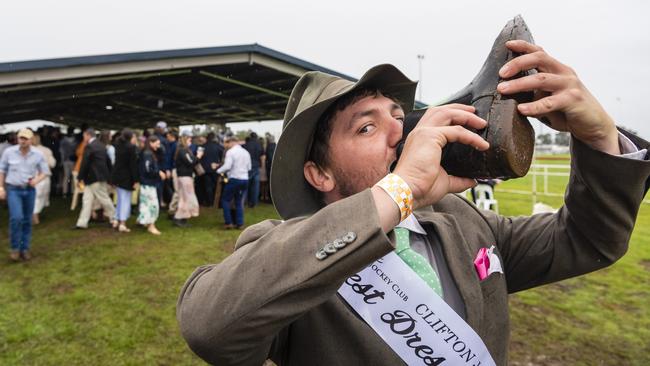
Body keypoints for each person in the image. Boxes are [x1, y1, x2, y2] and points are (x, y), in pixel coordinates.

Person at [177, 40, 650, 366]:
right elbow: (210, 329)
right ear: (319, 174)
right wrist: (400, 191)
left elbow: (588, 240)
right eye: (366, 126)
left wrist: (600, 137)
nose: (401, 132)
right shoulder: (280, 249)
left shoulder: (461, 222)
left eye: (399, 117)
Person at [0, 129, 50, 262]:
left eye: (26, 138)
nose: (23, 141)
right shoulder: (9, 152)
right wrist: (1, 188)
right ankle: (15, 248)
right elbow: (2, 170)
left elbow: (45, 171)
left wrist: (36, 180)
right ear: (17, 139)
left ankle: (25, 248)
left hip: (29, 190)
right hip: (13, 189)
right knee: (16, 218)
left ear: (31, 140)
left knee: (27, 220)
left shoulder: (38, 154)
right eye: (21, 138)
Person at [74, 129, 115, 229]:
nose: (84, 138)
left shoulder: (90, 146)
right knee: (87, 200)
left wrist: (80, 177)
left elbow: (85, 163)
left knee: (104, 199)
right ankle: (82, 223)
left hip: (93, 178)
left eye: (84, 136)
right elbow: (108, 161)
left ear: (88, 135)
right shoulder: (101, 145)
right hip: (98, 177)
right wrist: (110, 176)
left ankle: (115, 218)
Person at [216, 135, 251, 229]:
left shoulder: (230, 152)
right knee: (239, 202)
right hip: (245, 179)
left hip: (235, 178)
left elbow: (227, 166)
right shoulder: (246, 152)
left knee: (225, 200)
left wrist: (218, 171)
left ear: (231, 142)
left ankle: (228, 222)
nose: (226, 145)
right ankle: (240, 223)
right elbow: (249, 167)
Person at [110, 129, 139, 233]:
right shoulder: (131, 148)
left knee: (120, 200)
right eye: (134, 137)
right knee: (125, 200)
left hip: (118, 176)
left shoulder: (117, 146)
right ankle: (122, 223)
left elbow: (116, 164)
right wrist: (136, 180)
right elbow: (133, 166)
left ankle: (116, 220)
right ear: (130, 137)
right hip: (127, 178)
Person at [173, 131, 203, 227]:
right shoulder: (183, 150)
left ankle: (180, 217)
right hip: (184, 177)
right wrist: (198, 156)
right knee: (187, 198)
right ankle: (180, 218)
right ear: (185, 139)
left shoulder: (183, 150)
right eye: (190, 139)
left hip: (184, 176)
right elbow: (191, 162)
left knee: (183, 198)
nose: (191, 140)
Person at [137, 135, 165, 235]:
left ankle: (145, 222)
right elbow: (148, 169)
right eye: (157, 144)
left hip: (146, 183)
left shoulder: (147, 153)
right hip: (148, 183)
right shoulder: (148, 154)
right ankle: (151, 226)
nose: (158, 146)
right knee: (153, 205)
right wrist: (158, 173)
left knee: (145, 204)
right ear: (151, 143)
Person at [31, 134, 56, 224]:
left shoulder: (30, 150)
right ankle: (34, 216)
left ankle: (34, 215)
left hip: (35, 176)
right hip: (44, 177)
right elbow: (52, 163)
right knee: (40, 196)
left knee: (36, 196)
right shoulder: (46, 150)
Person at [199, 132, 224, 206]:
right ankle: (216, 201)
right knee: (217, 186)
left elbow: (198, 158)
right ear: (214, 138)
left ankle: (209, 202)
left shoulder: (201, 147)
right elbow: (222, 157)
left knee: (207, 186)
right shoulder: (219, 146)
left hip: (205, 169)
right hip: (216, 169)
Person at [243, 131, 264, 208]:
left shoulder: (246, 145)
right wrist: (261, 165)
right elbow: (262, 156)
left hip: (247, 167)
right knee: (255, 186)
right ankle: (254, 203)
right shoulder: (259, 145)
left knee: (246, 185)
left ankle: (245, 202)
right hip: (256, 167)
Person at [59, 129, 76, 197]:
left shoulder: (63, 141)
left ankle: (65, 192)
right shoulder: (75, 141)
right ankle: (72, 191)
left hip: (66, 160)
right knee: (72, 177)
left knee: (66, 177)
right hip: (72, 160)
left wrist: (61, 161)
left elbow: (61, 152)